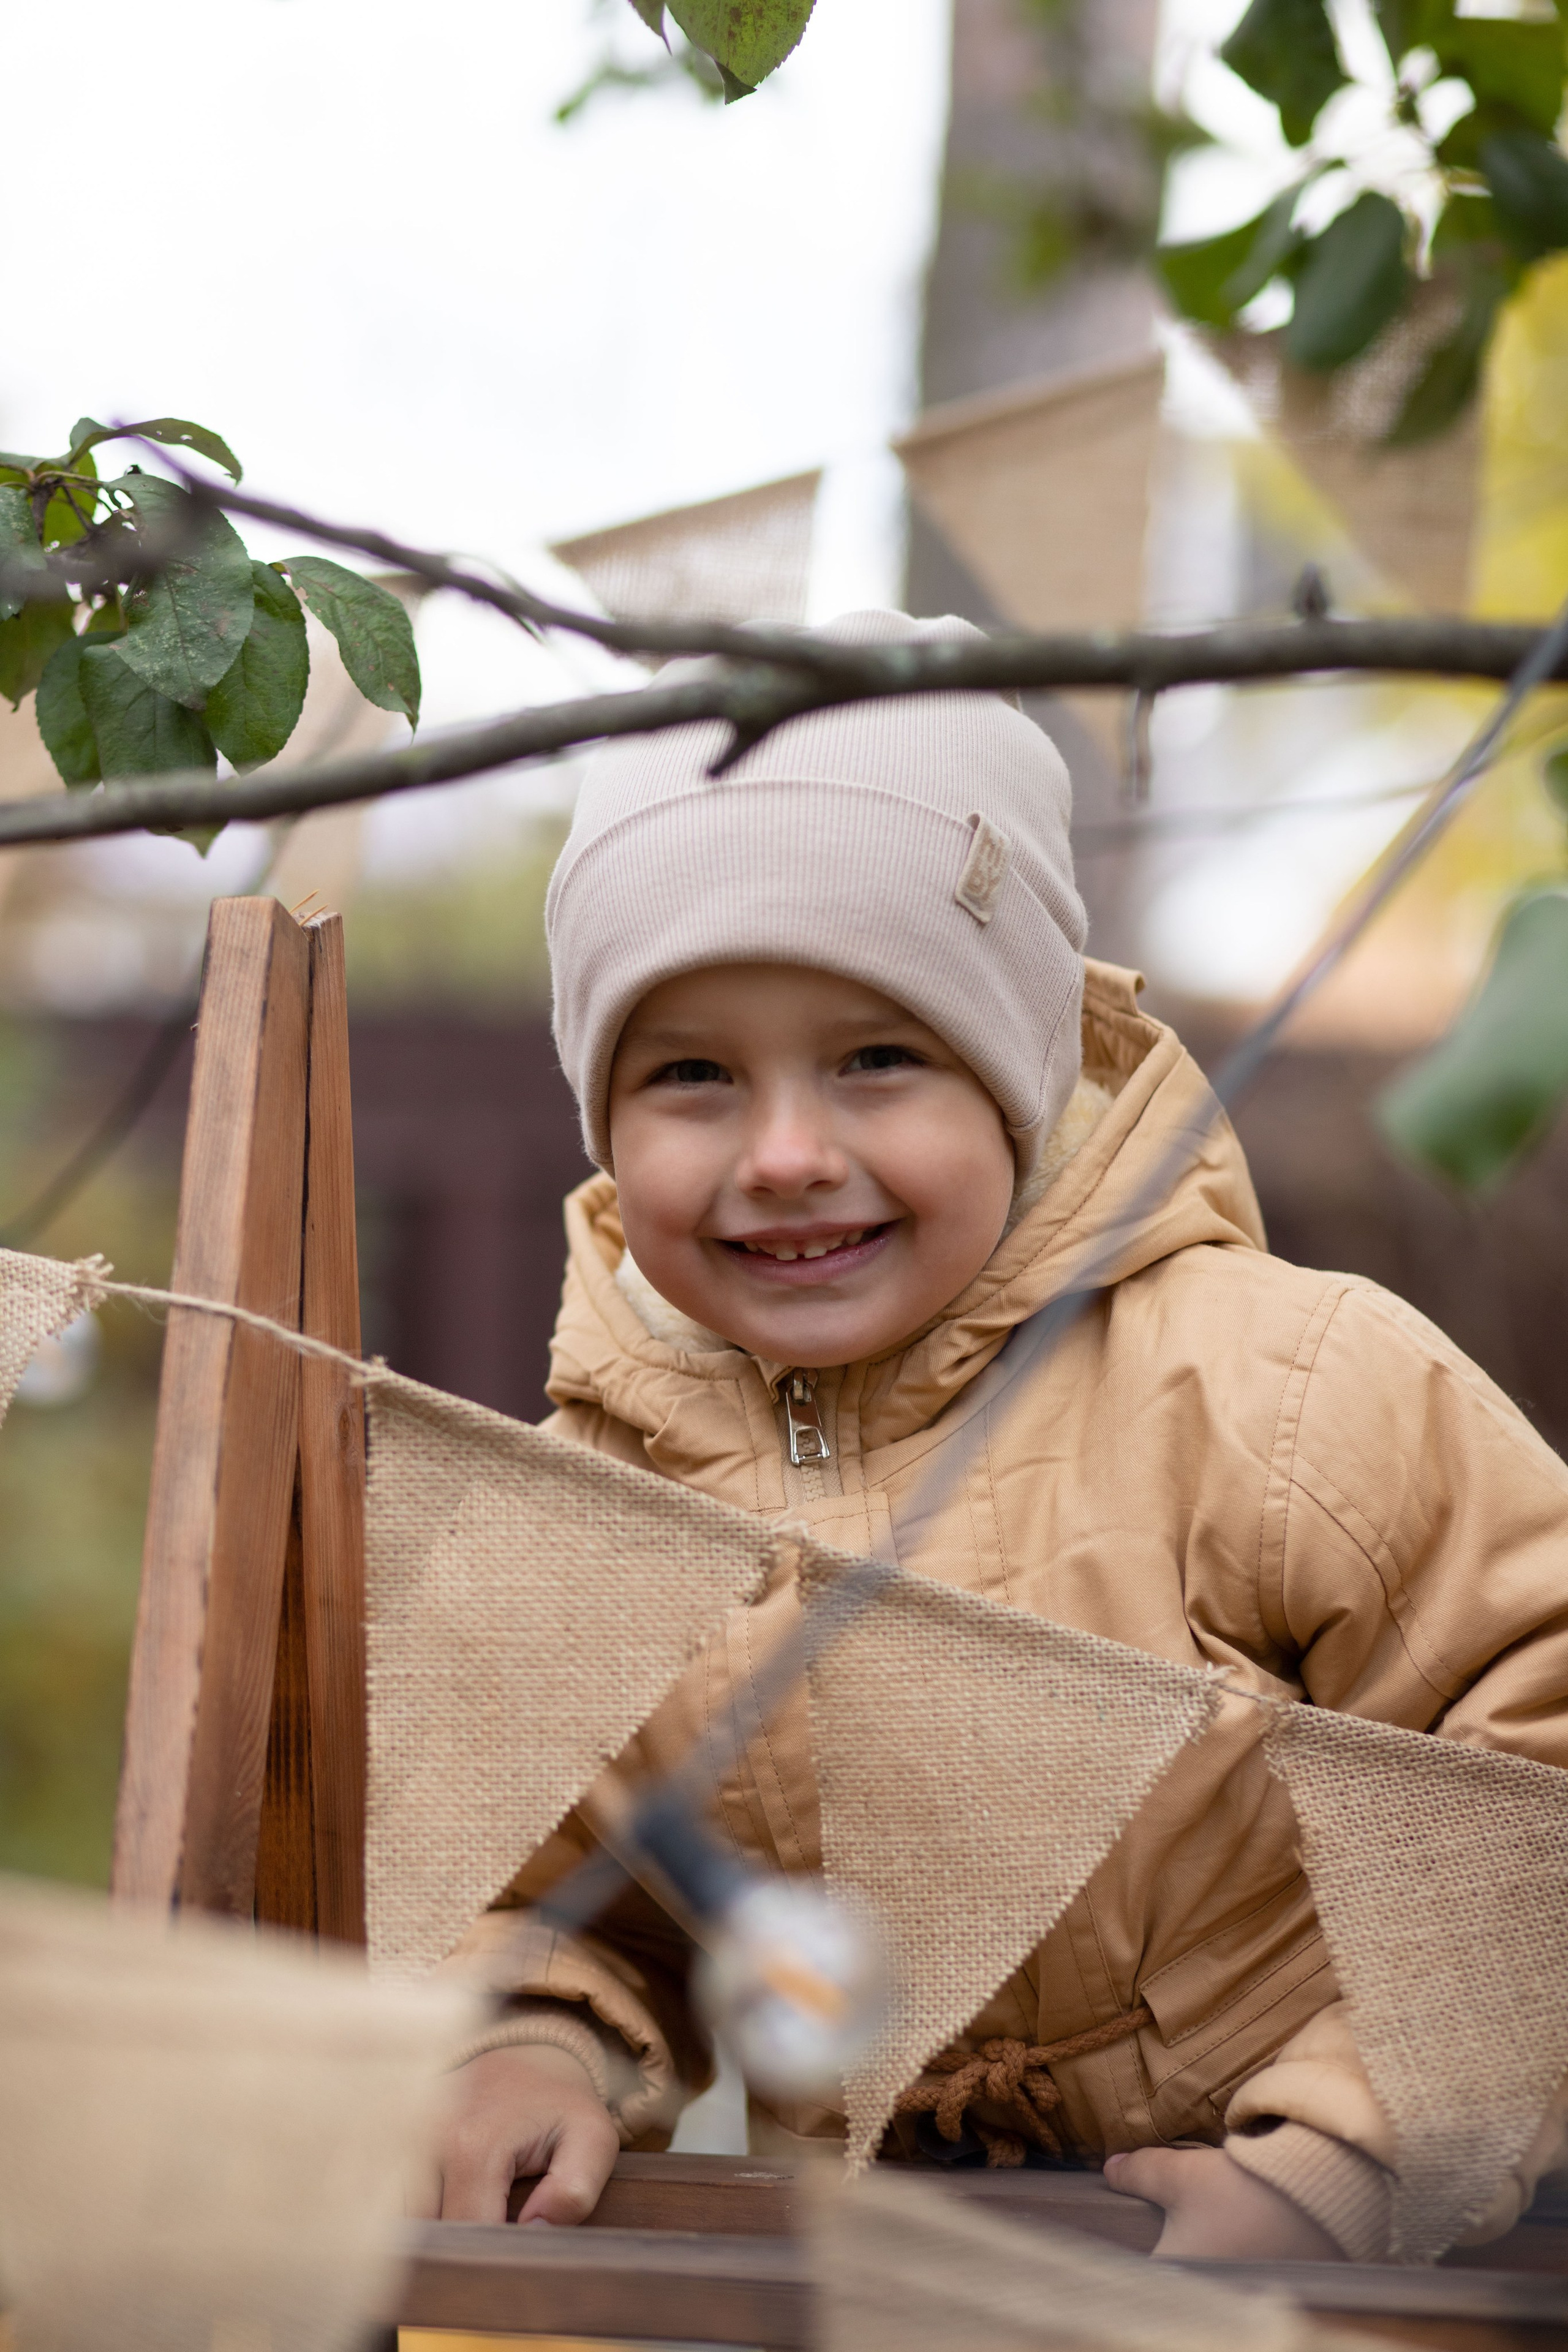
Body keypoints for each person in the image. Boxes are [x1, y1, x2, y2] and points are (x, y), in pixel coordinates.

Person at [421, 611, 1568, 2261]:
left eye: (880, 1058)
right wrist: (530, 2041)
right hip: (915, 2284)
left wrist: (1353, 2159)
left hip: (1369, 2282)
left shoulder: (1281, 1389)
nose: (790, 1151)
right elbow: (538, 1875)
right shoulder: (592, 1510)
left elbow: (1540, 1758)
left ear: (1022, 1074)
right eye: (693, 1075)